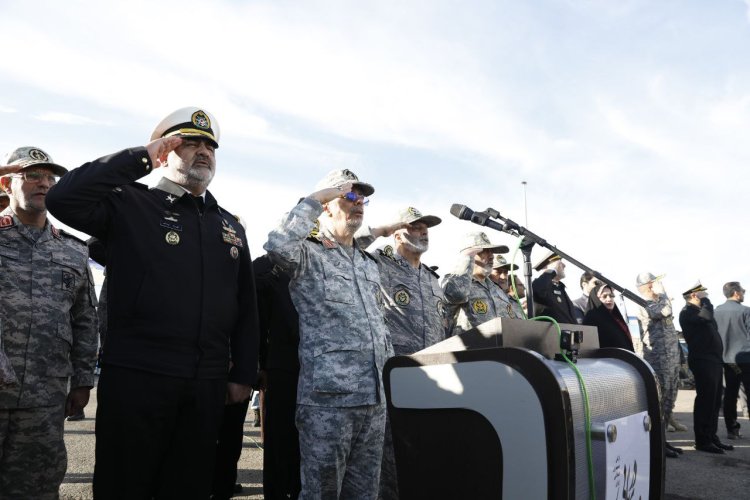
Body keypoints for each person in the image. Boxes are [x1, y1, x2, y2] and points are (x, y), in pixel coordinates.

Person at [46, 107, 260, 497]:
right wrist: (142, 156)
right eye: (190, 142)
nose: (203, 151)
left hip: (205, 383)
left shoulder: (228, 226)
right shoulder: (130, 203)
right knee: (126, 483)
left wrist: (243, 372)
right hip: (138, 376)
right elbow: (63, 198)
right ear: (166, 149)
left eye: (210, 145)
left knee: (189, 485)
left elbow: (246, 304)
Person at [264, 169, 392, 499]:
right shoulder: (310, 254)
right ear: (326, 206)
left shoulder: (366, 263)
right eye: (348, 196)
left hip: (374, 400)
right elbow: (277, 244)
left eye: (362, 198)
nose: (357, 203)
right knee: (322, 493)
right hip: (329, 402)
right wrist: (316, 197)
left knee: (365, 493)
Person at [0, 146, 98, 499]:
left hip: (45, 396)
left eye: (49, 177)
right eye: (31, 175)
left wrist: (83, 380)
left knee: (37, 487)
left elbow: (85, 319)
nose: (43, 183)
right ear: (6, 183)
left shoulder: (72, 249)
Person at [355, 206, 448, 500]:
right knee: (390, 456)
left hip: (431, 378)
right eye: (414, 227)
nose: (422, 232)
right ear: (397, 233)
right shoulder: (379, 264)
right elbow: (348, 245)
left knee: (426, 453)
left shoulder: (433, 279)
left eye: (425, 229)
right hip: (393, 376)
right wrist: (384, 228)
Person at [253, 254, 301, 500]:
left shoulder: (325, 261)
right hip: (281, 368)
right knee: (280, 441)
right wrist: (260, 365)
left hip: (319, 368)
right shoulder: (269, 266)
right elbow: (256, 320)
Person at [679, 282, 734, 454]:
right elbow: (706, 318)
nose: (707, 296)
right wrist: (707, 302)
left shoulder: (699, 312)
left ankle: (711, 437)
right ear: (694, 295)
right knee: (706, 400)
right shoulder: (687, 312)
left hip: (714, 360)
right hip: (703, 360)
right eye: (703, 294)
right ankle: (702, 440)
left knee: (715, 400)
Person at [635, 272, 685, 456]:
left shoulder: (661, 301)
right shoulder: (642, 303)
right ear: (645, 286)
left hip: (671, 357)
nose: (655, 285)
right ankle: (657, 445)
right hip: (657, 359)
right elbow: (665, 312)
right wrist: (663, 294)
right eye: (652, 283)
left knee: (670, 396)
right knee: (659, 401)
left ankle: (664, 441)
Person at [442, 232, 514, 335]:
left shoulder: (498, 290)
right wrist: (466, 258)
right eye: (485, 251)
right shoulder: (455, 283)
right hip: (468, 349)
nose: (492, 256)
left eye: (491, 252)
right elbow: (456, 295)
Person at [714, 281, 750, 440]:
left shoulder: (716, 312)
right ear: (736, 293)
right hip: (745, 359)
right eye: (742, 290)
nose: (744, 292)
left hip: (726, 361)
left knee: (730, 395)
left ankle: (732, 430)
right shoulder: (746, 311)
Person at [583, 284, 634, 351]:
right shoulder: (591, 320)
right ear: (596, 299)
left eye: (611, 296)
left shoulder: (615, 317)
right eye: (604, 296)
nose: (609, 299)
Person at [531, 250, 577, 323]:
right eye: (559, 262)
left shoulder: (560, 287)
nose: (564, 265)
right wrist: (553, 270)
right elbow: (537, 289)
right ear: (546, 266)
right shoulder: (541, 285)